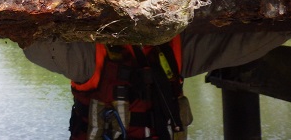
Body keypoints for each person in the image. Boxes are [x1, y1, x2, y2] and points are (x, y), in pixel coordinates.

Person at [23, 32, 290, 140]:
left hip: (114, 56)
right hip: (166, 53)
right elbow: (251, 42)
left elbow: (31, 42)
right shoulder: (84, 61)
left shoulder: (84, 62)